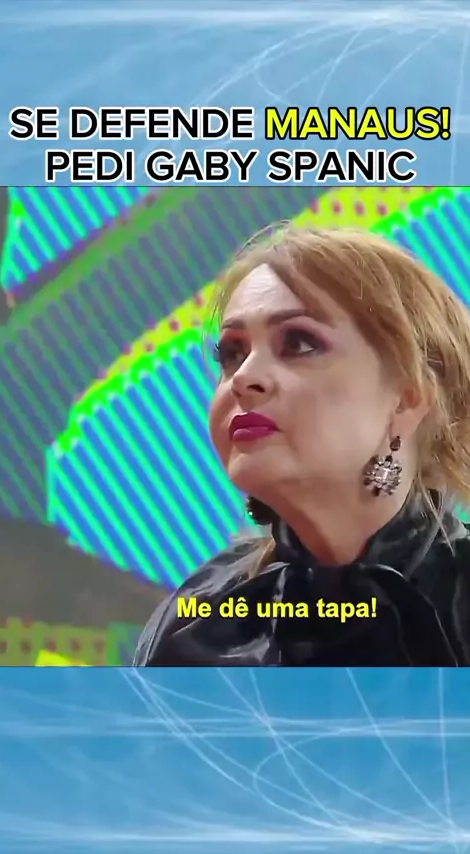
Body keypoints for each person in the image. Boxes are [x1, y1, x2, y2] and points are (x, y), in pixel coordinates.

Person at [134, 225, 470, 667]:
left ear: (407, 399)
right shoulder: (195, 627)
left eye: (299, 343)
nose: (243, 377)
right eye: (232, 353)